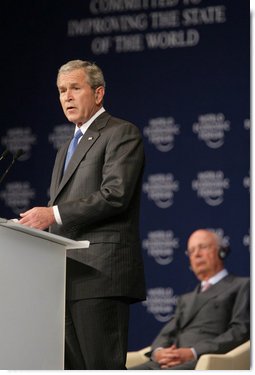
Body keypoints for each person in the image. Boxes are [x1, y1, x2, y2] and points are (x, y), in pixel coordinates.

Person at [18, 59, 146, 369]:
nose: (67, 97)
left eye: (75, 88)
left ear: (99, 93)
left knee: (101, 367)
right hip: (64, 278)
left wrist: (54, 214)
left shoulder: (120, 133)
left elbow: (115, 195)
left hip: (100, 274)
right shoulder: (66, 148)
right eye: (62, 90)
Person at [130, 229, 250, 370]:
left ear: (221, 251)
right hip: (166, 362)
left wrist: (193, 353)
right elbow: (167, 333)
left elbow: (240, 331)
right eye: (191, 251)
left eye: (203, 247)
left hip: (202, 361)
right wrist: (160, 352)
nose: (197, 255)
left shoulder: (242, 285)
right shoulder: (185, 299)